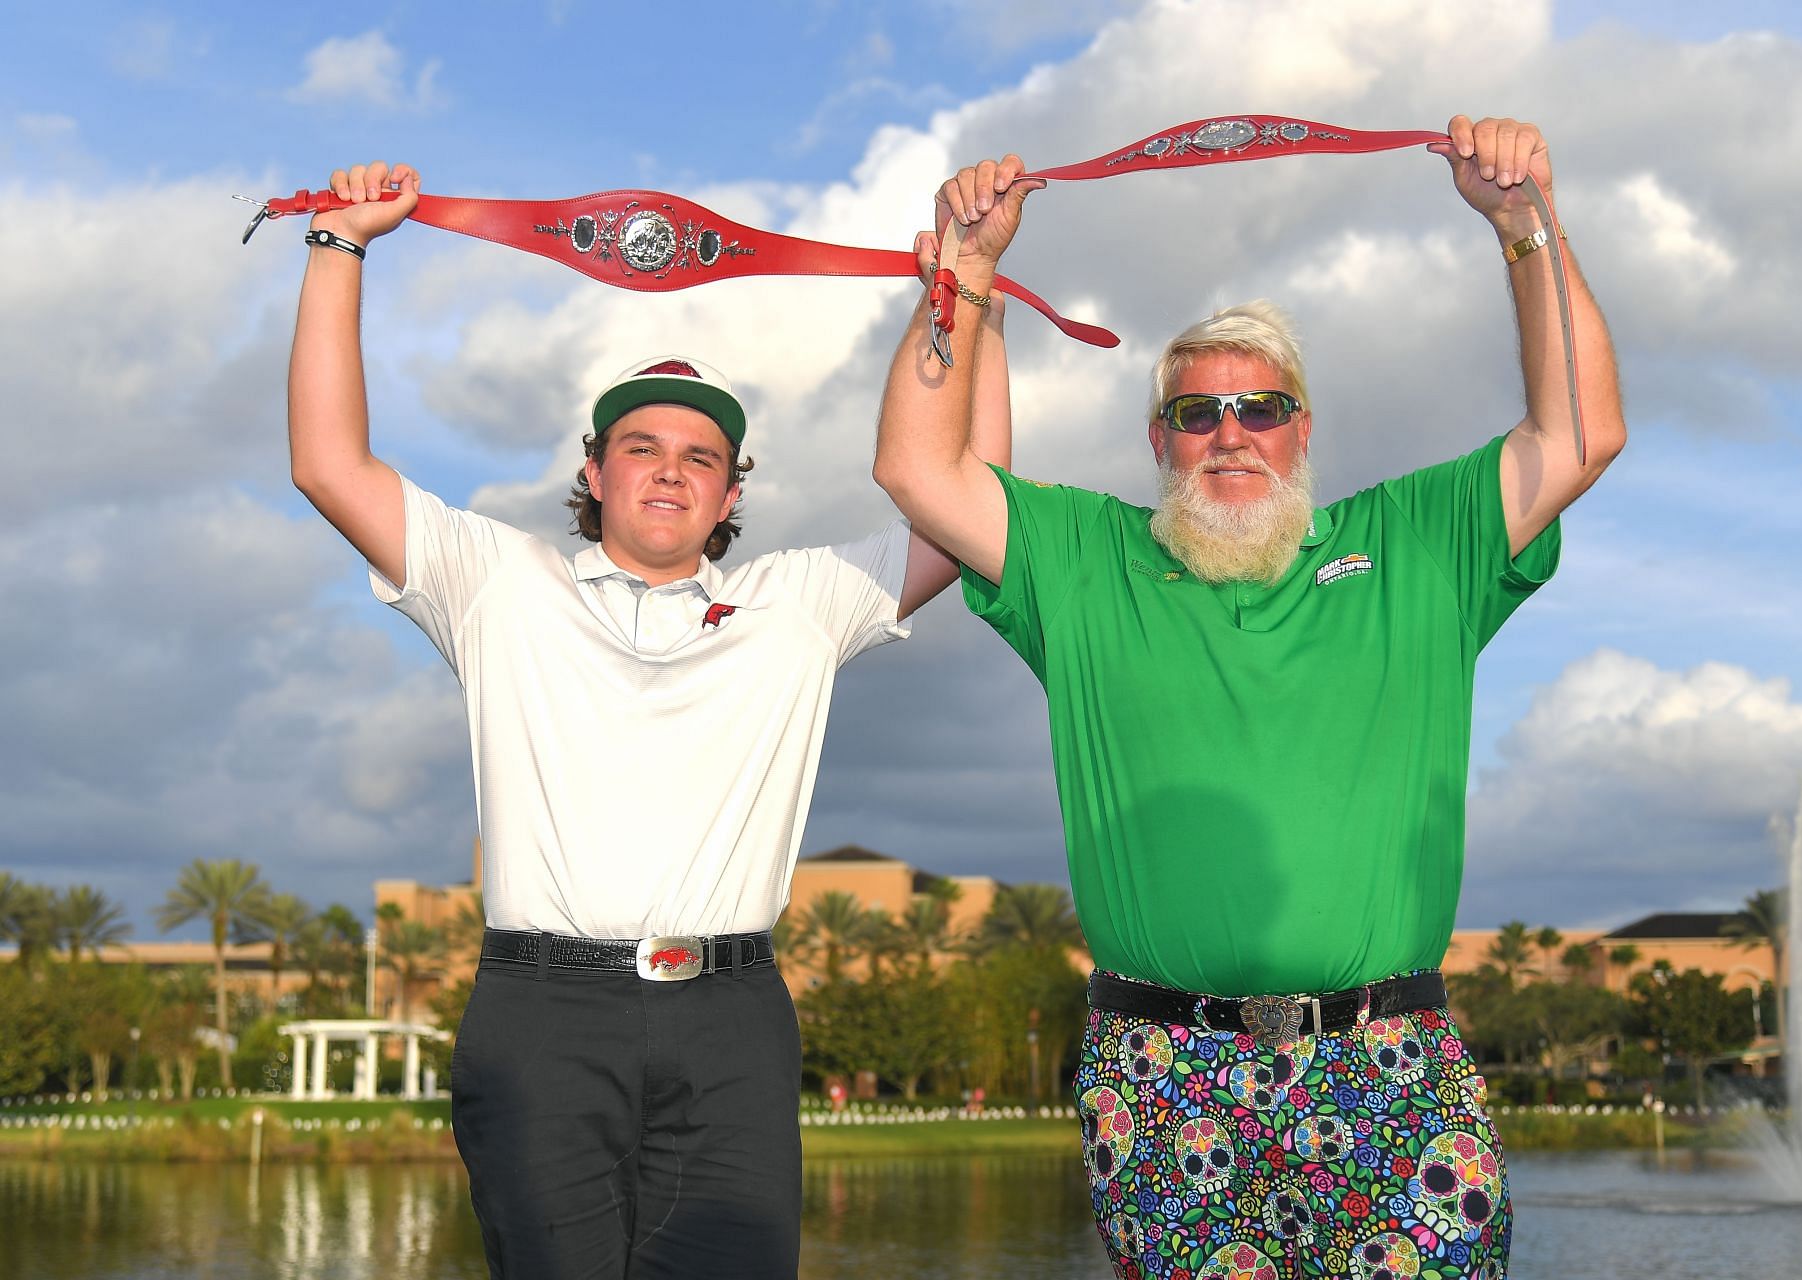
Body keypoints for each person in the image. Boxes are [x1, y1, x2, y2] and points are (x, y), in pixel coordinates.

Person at [876, 121, 1625, 1279]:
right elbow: (920, 472)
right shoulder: (1086, 559)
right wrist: (963, 277)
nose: (1232, 432)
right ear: (1160, 438)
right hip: (1162, 1075)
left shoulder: (1415, 541)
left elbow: (1582, 431)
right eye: (1198, 412)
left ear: (1303, 427)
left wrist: (1525, 224)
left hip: (1392, 1065)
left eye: (1261, 408)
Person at [287, 160, 1010, 1279]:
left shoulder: (798, 602)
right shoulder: (498, 577)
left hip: (730, 1017)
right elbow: (329, 465)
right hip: (542, 1015)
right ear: (595, 469)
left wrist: (974, 296)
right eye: (643, 446)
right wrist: (340, 245)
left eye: (700, 457)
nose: (670, 472)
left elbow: (973, 502)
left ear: (731, 495)